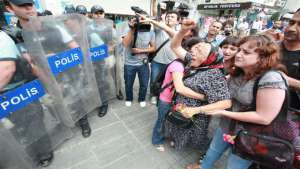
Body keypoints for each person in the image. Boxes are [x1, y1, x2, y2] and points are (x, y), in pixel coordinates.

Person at [184, 34, 290, 169]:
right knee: (213, 150)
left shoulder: (272, 78)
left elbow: (264, 118)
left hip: (250, 134)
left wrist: (223, 112)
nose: (239, 54)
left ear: (263, 57)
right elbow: (220, 90)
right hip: (227, 126)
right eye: (239, 49)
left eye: (246, 52)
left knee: (235, 164)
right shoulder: (239, 72)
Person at [163, 19, 231, 151]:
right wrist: (183, 31)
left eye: (200, 50)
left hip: (196, 116)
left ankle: (201, 154)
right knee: (178, 130)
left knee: (193, 136)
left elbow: (226, 103)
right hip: (181, 107)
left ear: (209, 58)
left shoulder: (214, 74)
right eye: (195, 48)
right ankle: (177, 143)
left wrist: (195, 110)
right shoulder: (193, 61)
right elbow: (175, 46)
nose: (193, 51)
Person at [122, 17, 155, 107]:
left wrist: (140, 50)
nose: (141, 21)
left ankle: (141, 98)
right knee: (128, 83)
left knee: (144, 83)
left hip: (143, 63)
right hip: (129, 63)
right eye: (139, 19)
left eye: (143, 19)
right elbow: (124, 43)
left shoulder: (150, 31)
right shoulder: (128, 29)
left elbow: (153, 47)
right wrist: (132, 29)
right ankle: (129, 98)